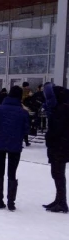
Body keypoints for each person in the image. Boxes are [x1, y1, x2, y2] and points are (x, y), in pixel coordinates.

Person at [0, 86, 30, 210]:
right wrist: (18, 135)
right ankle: (11, 202)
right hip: (15, 145)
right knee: (12, 173)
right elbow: (27, 129)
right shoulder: (23, 112)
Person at [42, 84, 69, 213]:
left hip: (60, 146)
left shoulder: (61, 109)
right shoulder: (61, 106)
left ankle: (62, 202)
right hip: (60, 145)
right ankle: (59, 200)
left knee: (57, 174)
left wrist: (48, 137)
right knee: (58, 174)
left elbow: (56, 130)